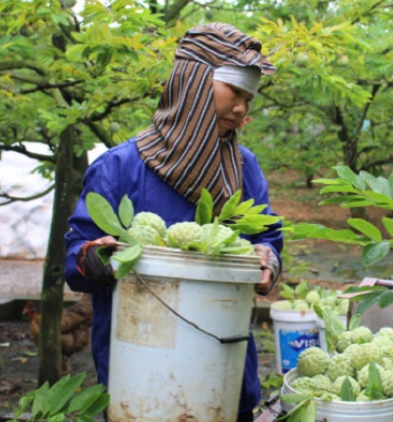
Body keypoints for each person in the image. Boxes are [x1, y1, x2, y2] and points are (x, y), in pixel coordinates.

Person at [64, 23, 282, 422]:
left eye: (249, 99)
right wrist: (94, 257)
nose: (241, 109)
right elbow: (77, 259)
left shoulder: (243, 168)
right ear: (194, 86)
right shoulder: (120, 167)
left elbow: (266, 233)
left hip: (224, 368)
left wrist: (266, 260)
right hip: (140, 372)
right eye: (235, 92)